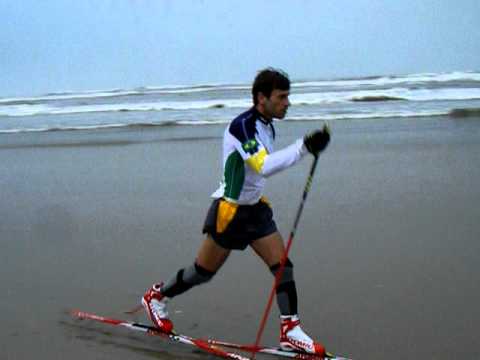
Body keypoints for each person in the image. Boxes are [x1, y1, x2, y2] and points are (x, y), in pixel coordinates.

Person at [141, 68, 330, 355]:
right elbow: (263, 166)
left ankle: (290, 330)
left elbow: (260, 172)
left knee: (283, 267)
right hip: (230, 212)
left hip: (256, 210)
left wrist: (305, 148)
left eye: (288, 97)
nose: (287, 103)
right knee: (202, 272)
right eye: (281, 97)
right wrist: (303, 147)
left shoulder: (267, 124)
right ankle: (156, 296)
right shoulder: (241, 127)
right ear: (261, 97)